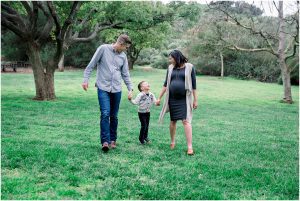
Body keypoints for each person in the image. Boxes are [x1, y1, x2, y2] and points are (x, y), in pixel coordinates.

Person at [82, 34, 133, 152]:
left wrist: (130, 88)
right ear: (121, 44)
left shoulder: (123, 56)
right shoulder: (103, 49)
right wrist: (85, 80)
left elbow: (125, 74)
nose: (126, 49)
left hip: (116, 89)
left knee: (114, 115)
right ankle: (105, 141)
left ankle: (113, 139)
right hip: (103, 87)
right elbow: (91, 65)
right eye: (126, 47)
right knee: (105, 113)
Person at [156, 50, 198, 155]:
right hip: (172, 98)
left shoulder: (189, 67)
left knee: (186, 121)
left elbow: (194, 85)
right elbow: (166, 84)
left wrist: (195, 100)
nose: (169, 60)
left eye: (171, 58)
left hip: (184, 99)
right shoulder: (170, 68)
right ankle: (173, 142)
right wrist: (159, 98)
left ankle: (190, 147)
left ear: (177, 57)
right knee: (173, 121)